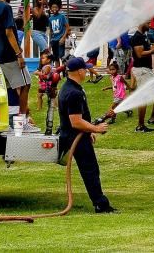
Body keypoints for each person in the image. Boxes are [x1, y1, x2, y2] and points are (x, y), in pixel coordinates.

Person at [57, 57, 115, 213]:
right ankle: (100, 204)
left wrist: (88, 131)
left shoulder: (69, 88)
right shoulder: (74, 92)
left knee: (91, 168)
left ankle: (100, 202)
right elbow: (75, 121)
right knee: (90, 169)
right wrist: (95, 129)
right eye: (86, 69)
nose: (88, 71)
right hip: (75, 136)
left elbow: (79, 120)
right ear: (80, 71)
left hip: (78, 135)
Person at [0, 0, 36, 132]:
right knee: (26, 84)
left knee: (9, 89)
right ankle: (22, 123)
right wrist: (19, 54)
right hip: (9, 55)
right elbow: (9, 32)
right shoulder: (6, 7)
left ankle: (10, 124)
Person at [131, 21, 154, 132]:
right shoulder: (137, 37)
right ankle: (140, 126)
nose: (150, 25)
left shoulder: (143, 35)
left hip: (148, 70)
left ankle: (153, 118)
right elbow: (140, 54)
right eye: (147, 22)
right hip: (141, 70)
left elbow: (147, 50)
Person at [47, 0, 70, 65]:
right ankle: (57, 73)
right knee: (55, 58)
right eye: (52, 7)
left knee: (62, 57)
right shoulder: (50, 18)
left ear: (59, 8)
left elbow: (67, 28)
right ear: (50, 8)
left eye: (56, 7)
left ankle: (64, 73)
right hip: (53, 40)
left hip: (60, 40)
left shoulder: (62, 16)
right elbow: (50, 31)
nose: (54, 9)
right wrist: (50, 44)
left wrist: (63, 38)